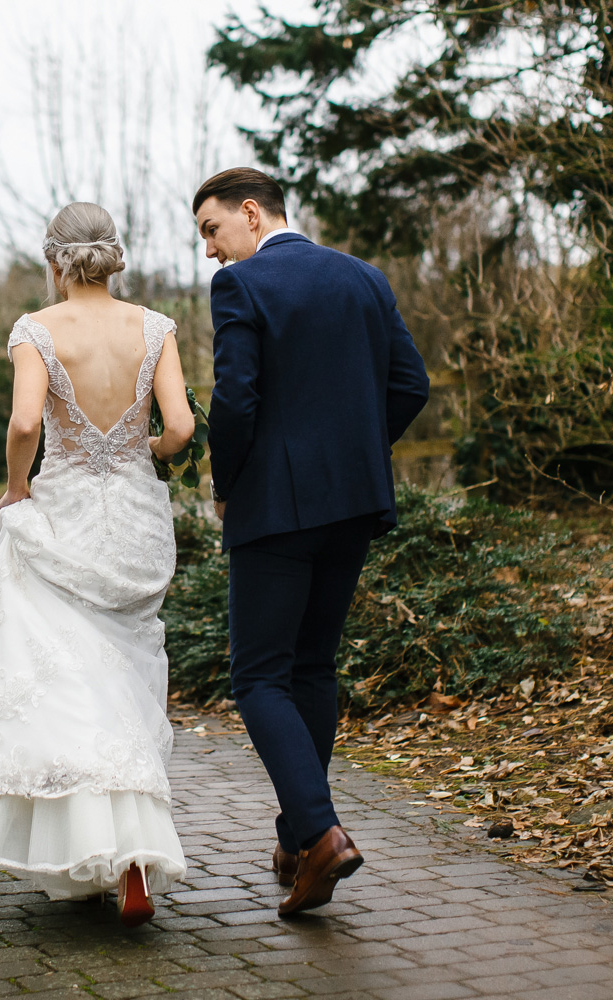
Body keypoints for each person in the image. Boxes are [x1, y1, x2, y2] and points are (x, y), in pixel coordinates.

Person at [0, 202, 193, 928]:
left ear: (53, 258)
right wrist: (151, 454)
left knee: (71, 674)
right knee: (126, 672)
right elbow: (184, 426)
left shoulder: (37, 330)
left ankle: (107, 850)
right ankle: (124, 856)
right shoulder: (156, 328)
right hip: (133, 516)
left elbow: (27, 422)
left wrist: (16, 486)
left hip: (65, 512)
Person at [192, 168, 430, 916]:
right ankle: (298, 836)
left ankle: (323, 835)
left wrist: (226, 483)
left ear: (252, 214)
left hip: (275, 509)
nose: (209, 251)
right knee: (311, 667)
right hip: (354, 505)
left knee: (259, 678)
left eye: (211, 230)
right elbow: (411, 384)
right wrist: (356, 456)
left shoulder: (243, 287)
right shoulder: (364, 278)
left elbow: (236, 400)